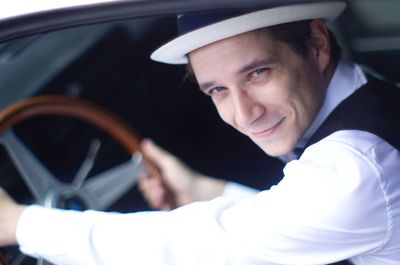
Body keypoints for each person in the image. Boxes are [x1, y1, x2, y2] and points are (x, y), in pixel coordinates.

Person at [1, 0, 400, 264]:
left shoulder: (354, 171)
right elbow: (298, 220)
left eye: (258, 73)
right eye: (218, 90)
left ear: (316, 44)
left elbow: (188, 249)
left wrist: (20, 223)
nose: (244, 114)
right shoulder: (365, 93)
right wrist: (201, 189)